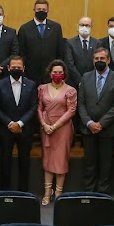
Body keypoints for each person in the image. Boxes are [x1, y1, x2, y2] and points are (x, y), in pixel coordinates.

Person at [77, 47, 114, 194]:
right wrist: (89, 123)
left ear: (108, 60)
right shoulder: (86, 77)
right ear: (93, 60)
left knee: (106, 166)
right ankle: (89, 194)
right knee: (90, 165)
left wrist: (101, 124)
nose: (99, 61)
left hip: (108, 130)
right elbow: (81, 103)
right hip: (88, 129)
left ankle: (102, 196)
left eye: (102, 59)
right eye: (96, 59)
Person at [0, 55, 38, 192]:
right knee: (5, 162)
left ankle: (23, 192)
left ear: (23, 68)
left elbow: (33, 107)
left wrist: (20, 123)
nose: (16, 69)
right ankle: (5, 191)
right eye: (13, 67)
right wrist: (9, 123)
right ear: (8, 68)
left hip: (24, 129)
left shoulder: (31, 84)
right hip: (5, 129)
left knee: (24, 162)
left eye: (18, 67)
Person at [38, 60, 77, 204]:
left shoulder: (70, 90)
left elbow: (71, 110)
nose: (57, 74)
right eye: (55, 72)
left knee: (60, 160)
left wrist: (55, 126)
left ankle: (59, 192)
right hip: (46, 128)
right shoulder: (42, 88)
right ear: (50, 73)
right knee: (47, 159)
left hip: (63, 128)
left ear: (64, 74)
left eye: (60, 72)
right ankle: (47, 192)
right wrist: (44, 124)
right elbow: (39, 108)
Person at [17, 0, 64, 85]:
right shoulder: (25, 28)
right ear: (34, 10)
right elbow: (22, 52)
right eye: (39, 9)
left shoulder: (56, 28)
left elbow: (60, 51)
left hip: (50, 73)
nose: (41, 11)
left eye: (44, 9)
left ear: (48, 10)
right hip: (31, 73)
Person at [64, 17, 99, 89]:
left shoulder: (97, 43)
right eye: (82, 25)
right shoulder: (70, 43)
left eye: (87, 25)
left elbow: (97, 63)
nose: (84, 27)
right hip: (74, 83)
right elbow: (70, 64)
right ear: (78, 26)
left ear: (91, 27)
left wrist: (90, 80)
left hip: (92, 83)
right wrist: (79, 81)